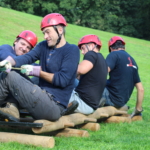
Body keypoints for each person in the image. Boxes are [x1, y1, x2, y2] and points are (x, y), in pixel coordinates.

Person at [0, 13, 80, 121]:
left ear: (60, 30)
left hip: (54, 106)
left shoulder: (72, 50)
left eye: (48, 32)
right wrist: (8, 62)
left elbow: (62, 80)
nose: (45, 36)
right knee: (7, 73)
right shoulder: (43, 46)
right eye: (44, 33)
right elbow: (27, 57)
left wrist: (37, 72)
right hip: (40, 96)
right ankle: (10, 108)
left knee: (10, 76)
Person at [100, 36, 144, 118]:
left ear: (110, 48)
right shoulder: (132, 60)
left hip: (110, 96)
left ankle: (97, 101)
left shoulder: (114, 54)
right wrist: (138, 109)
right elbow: (141, 89)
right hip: (121, 101)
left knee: (84, 85)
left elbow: (102, 73)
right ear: (124, 47)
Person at [69, 34, 108, 115]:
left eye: (83, 48)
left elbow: (80, 70)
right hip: (91, 105)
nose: (82, 52)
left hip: (81, 103)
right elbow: (82, 77)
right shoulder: (103, 60)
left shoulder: (91, 54)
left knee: (53, 92)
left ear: (91, 45)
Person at [0, 30, 38, 107]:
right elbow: (8, 59)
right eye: (22, 44)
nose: (24, 48)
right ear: (15, 41)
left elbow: (33, 65)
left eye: (28, 47)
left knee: (41, 79)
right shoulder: (5, 48)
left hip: (10, 92)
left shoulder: (23, 59)